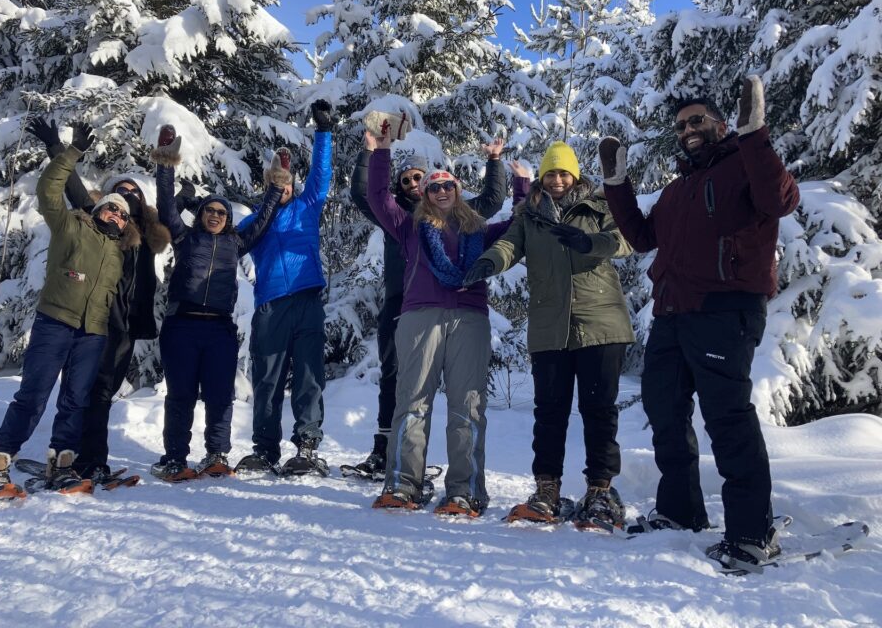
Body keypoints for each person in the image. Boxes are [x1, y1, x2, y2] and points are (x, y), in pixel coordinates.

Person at [598, 75, 800, 567]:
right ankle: (680, 511)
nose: (687, 129)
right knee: (665, 411)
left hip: (725, 308)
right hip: (672, 313)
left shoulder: (745, 166)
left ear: (720, 124)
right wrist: (617, 185)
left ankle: (752, 532)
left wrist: (755, 134)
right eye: (680, 125)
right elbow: (643, 238)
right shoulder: (678, 190)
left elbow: (781, 200)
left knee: (727, 419)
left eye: (696, 120)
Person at [463, 141, 635, 527]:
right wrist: (488, 262)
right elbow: (509, 245)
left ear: (575, 175)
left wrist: (592, 242)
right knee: (549, 413)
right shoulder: (529, 215)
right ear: (541, 177)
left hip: (600, 323)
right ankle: (546, 490)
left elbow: (625, 239)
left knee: (599, 411)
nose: (557, 180)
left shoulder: (598, 206)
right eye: (550, 173)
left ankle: (600, 491)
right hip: (548, 328)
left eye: (563, 173)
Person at [364, 124, 517, 517]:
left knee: (467, 406)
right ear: (426, 195)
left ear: (458, 191)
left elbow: (520, 224)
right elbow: (377, 197)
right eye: (434, 187)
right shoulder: (409, 227)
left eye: (448, 186)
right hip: (421, 317)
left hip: (469, 319)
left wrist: (518, 181)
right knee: (412, 402)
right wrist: (381, 151)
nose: (442, 191)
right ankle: (403, 485)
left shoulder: (479, 232)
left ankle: (465, 490)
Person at [0, 133, 130, 501]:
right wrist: (70, 153)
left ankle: (62, 464)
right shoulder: (71, 226)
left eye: (123, 215)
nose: (117, 215)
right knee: (33, 395)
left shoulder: (117, 252)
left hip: (92, 334)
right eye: (111, 208)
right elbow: (49, 191)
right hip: (55, 322)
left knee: (75, 401)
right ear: (98, 209)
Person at [25, 117, 171, 486]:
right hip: (98, 320)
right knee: (89, 391)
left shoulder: (149, 235)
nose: (126, 196)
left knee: (101, 393)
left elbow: (170, 207)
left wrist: (169, 167)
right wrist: (56, 147)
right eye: (119, 191)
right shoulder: (103, 227)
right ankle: (82, 460)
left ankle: (86, 459)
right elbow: (73, 187)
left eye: (133, 192)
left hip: (127, 327)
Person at [146, 126, 283, 481]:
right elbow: (166, 205)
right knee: (181, 395)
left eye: (222, 212)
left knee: (220, 395)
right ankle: (175, 458)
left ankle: (217, 454)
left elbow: (264, 220)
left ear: (228, 220)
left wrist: (276, 185)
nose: (216, 215)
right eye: (210, 210)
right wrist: (165, 163)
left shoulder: (236, 244)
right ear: (201, 215)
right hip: (181, 325)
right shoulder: (184, 238)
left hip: (220, 328)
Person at [234, 100, 336, 477]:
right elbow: (230, 244)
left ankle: (306, 447)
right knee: (268, 379)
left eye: (288, 182)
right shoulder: (254, 222)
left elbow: (321, 175)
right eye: (278, 183)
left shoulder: (307, 207)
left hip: (307, 300)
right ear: (269, 186)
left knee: (309, 375)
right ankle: (264, 449)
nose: (285, 187)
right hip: (270, 306)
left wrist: (323, 131)